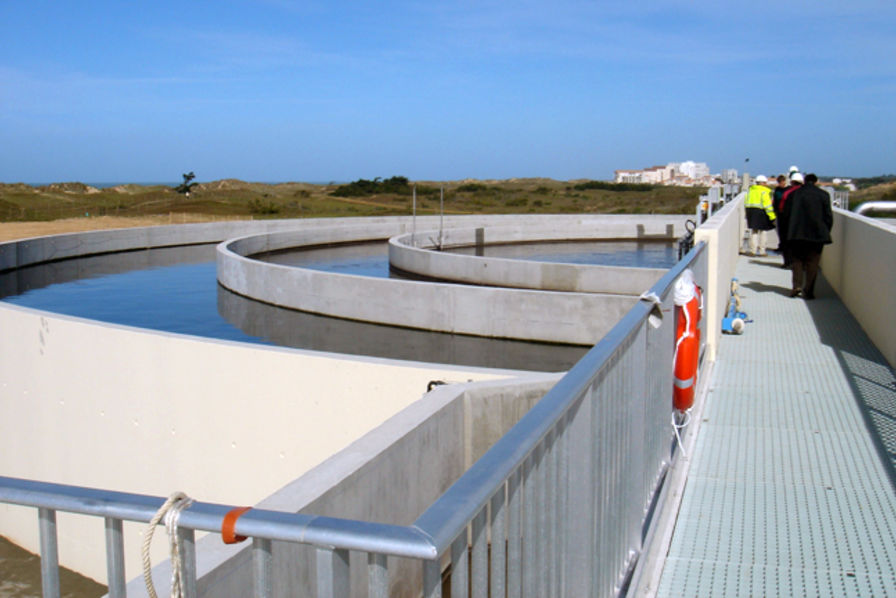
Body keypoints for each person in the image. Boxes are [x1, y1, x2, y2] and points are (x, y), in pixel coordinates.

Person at [783, 173, 832, 299]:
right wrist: (825, 231)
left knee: (797, 260)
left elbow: (786, 215)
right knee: (813, 263)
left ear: (804, 181)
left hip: (797, 233)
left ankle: (796, 286)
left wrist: (788, 231)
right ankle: (809, 291)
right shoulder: (824, 195)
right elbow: (828, 217)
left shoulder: (794, 195)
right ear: (816, 182)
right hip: (817, 234)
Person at [776, 172, 803, 268]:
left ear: (791, 182)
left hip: (787, 223)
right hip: (802, 225)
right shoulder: (805, 193)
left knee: (786, 243)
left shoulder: (787, 193)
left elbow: (781, 208)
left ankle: (788, 262)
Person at [744, 175, 776, 256]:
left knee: (754, 232)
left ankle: (753, 251)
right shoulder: (764, 192)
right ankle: (762, 251)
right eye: (765, 183)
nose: (766, 184)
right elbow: (768, 205)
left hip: (751, 212)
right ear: (762, 183)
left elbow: (746, 203)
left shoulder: (750, 191)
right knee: (763, 232)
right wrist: (772, 217)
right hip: (761, 213)